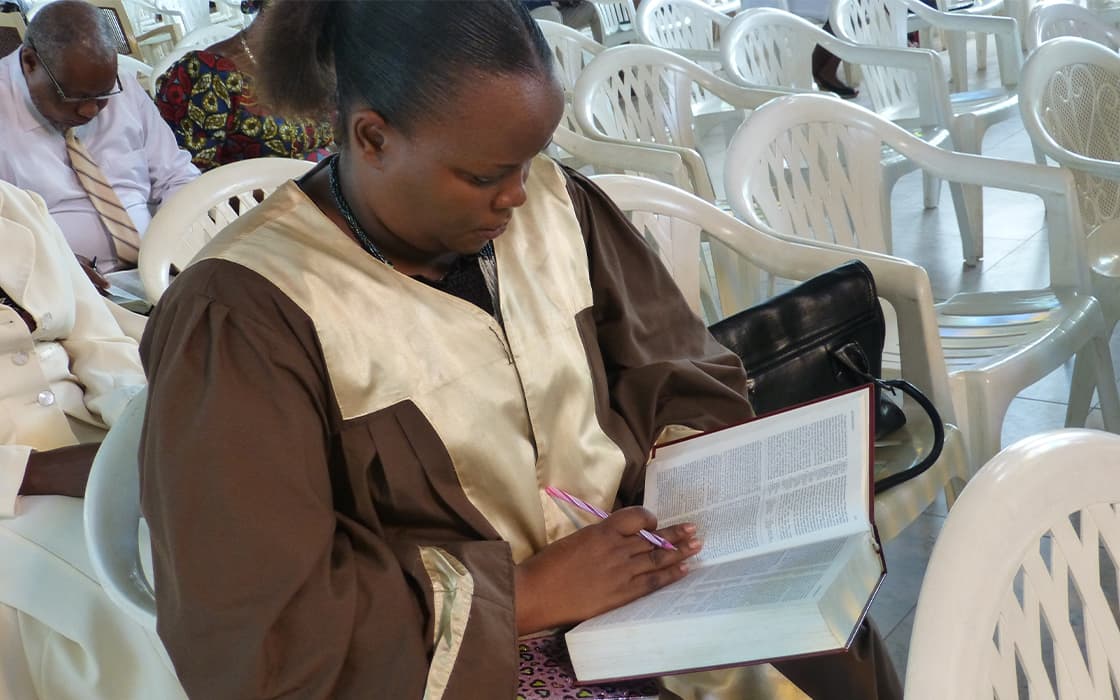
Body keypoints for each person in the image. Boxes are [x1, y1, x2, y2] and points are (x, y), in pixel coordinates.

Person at [139, 2, 900, 698]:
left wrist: (695, 486)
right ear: (372, 137)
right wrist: (530, 591)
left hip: (645, 580)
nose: (517, 196)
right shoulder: (249, 313)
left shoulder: (559, 209)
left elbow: (676, 371)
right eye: (482, 175)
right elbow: (261, 629)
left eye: (530, 160)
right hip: (452, 661)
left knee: (832, 650)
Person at [0, 178, 184, 699]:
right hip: (13, 485)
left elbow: (98, 338)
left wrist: (136, 434)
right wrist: (33, 471)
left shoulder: (16, 203)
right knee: (142, 602)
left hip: (89, 438)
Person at [0, 0, 199, 273]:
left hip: (158, 267)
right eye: (75, 97)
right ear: (30, 62)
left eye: (102, 95)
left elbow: (176, 175)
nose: (90, 109)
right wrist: (44, 261)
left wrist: (174, 242)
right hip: (55, 286)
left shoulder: (123, 85)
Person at [154, 0, 335, 172]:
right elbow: (197, 180)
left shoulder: (313, 66)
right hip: (263, 201)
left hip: (325, 194)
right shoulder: (211, 73)